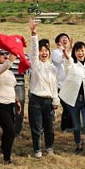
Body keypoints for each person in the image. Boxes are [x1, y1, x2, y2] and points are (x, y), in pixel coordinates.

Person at [27, 20, 60, 158]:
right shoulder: (35, 64)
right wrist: (34, 34)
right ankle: (37, 149)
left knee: (49, 127)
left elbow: (54, 85)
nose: (44, 53)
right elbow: (33, 52)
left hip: (48, 101)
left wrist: (55, 100)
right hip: (35, 100)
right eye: (42, 51)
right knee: (36, 127)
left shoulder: (52, 68)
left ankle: (49, 147)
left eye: (46, 51)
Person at [0, 49, 23, 164]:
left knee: (8, 131)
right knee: (10, 131)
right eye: (2, 54)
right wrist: (14, 49)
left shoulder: (9, 72)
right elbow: (9, 63)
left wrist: (17, 100)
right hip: (0, 105)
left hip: (10, 104)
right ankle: (7, 158)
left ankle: (4, 148)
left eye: (6, 54)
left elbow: (11, 87)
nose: (5, 55)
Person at [52, 32, 73, 133]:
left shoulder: (72, 52)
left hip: (72, 85)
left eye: (67, 38)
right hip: (60, 85)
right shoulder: (56, 52)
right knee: (67, 106)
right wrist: (65, 51)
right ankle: (64, 127)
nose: (65, 39)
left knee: (71, 107)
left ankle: (70, 127)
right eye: (62, 38)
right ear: (57, 43)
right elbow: (60, 60)